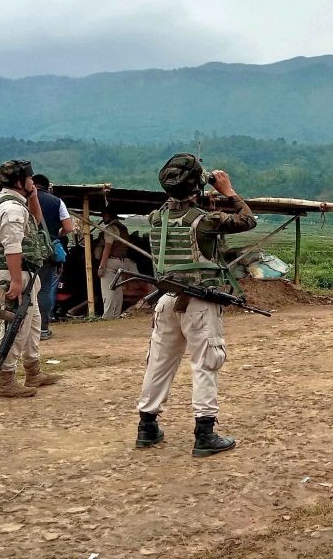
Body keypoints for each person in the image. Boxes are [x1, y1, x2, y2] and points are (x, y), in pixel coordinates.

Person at [135, 154, 256, 456]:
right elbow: (248, 220)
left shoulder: (155, 218)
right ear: (196, 184)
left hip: (166, 301)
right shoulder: (204, 221)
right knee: (206, 363)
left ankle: (147, 426)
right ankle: (204, 432)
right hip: (200, 303)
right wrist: (228, 191)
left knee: (159, 362)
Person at [0, 160, 61, 397]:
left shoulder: (18, 203)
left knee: (32, 323)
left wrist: (34, 196)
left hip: (26, 273)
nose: (32, 182)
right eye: (29, 179)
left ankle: (32, 370)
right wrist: (17, 281)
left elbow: (38, 224)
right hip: (15, 274)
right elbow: (12, 247)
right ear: (20, 182)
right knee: (14, 327)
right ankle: (6, 380)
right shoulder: (11, 208)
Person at [31, 174, 74, 339]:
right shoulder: (56, 201)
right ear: (48, 186)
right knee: (45, 289)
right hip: (47, 252)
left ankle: (26, 328)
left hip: (25, 251)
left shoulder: (22, 200)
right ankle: (42, 329)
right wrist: (55, 235)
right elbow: (69, 228)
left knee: (27, 289)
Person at [98, 206, 137, 319]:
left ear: (109, 215)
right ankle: (116, 314)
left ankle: (107, 315)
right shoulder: (123, 228)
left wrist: (101, 265)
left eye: (104, 215)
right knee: (117, 289)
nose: (103, 217)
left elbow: (107, 247)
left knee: (108, 289)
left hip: (111, 261)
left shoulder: (110, 228)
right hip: (121, 261)